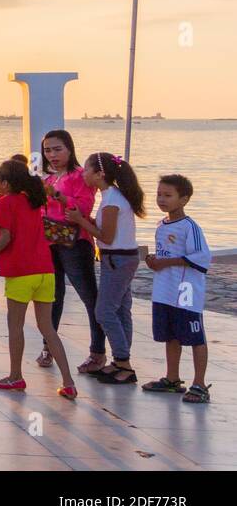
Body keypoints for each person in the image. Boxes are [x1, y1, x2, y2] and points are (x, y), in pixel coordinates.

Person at [0, 159, 78, 399]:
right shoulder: (33, 200)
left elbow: (5, 238)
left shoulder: (5, 203)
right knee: (47, 328)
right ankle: (68, 382)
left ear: (4, 182)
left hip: (20, 271)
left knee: (15, 326)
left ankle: (15, 376)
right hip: (45, 270)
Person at [64, 152, 147, 385]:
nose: (84, 174)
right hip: (122, 257)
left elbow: (107, 237)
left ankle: (124, 362)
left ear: (100, 174)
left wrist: (81, 221)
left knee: (104, 311)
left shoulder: (111, 201)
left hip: (117, 259)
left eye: (87, 170)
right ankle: (120, 361)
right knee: (120, 310)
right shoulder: (113, 196)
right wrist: (87, 220)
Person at [39, 130, 104, 375]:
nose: (52, 155)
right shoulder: (48, 178)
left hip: (75, 243)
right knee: (52, 296)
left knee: (89, 296)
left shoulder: (80, 176)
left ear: (69, 149)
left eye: (57, 149)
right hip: (50, 242)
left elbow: (84, 208)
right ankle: (49, 347)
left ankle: (97, 351)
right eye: (47, 150)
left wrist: (57, 196)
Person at [143, 174, 212, 403]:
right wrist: (155, 261)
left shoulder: (190, 227)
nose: (162, 199)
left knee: (194, 337)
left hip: (186, 291)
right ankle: (172, 378)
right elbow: (165, 254)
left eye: (168, 195)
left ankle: (200, 384)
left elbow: (201, 257)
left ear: (183, 199)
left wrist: (167, 262)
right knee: (170, 335)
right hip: (165, 290)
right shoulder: (161, 225)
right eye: (159, 195)